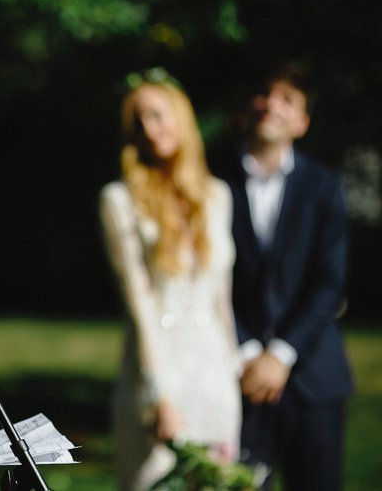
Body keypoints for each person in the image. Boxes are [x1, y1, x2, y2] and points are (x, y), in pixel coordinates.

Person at [209, 63, 352, 490]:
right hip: (236, 375)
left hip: (313, 375)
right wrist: (249, 351)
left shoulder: (324, 186)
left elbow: (330, 283)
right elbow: (209, 277)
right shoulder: (212, 179)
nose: (272, 104)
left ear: (302, 123)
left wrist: (281, 354)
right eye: (265, 94)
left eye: (287, 99)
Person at [99, 74, 242, 490]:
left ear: (181, 118)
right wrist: (158, 396)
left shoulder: (218, 197)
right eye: (137, 123)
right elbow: (138, 301)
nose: (148, 129)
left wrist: (233, 369)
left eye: (156, 115)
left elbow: (222, 298)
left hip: (215, 376)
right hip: (156, 370)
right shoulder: (119, 200)